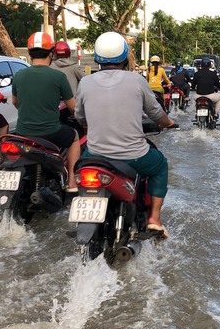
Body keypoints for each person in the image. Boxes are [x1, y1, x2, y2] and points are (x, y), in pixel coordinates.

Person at [75, 31, 176, 237]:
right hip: (134, 155)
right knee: (160, 166)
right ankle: (155, 219)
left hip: (95, 154)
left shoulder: (85, 82)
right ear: (124, 57)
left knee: (80, 171)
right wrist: (168, 123)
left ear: (97, 58)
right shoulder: (136, 80)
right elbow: (156, 113)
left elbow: (79, 116)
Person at [12, 32, 80, 191]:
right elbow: (72, 107)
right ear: (51, 53)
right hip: (50, 132)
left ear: (29, 54)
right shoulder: (58, 76)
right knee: (74, 137)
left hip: (22, 133)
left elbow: (16, 102)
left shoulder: (19, 75)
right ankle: (71, 181)